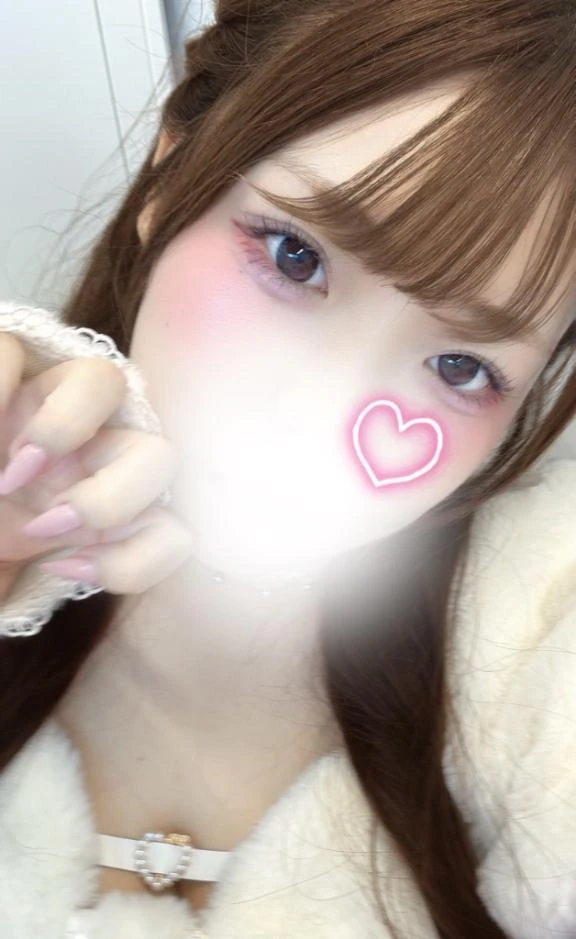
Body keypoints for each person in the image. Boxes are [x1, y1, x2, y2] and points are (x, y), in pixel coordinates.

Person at [1, 1, 576, 936]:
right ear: (172, 168)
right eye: (294, 255)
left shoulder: (540, 656)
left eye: (461, 367)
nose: (321, 411)